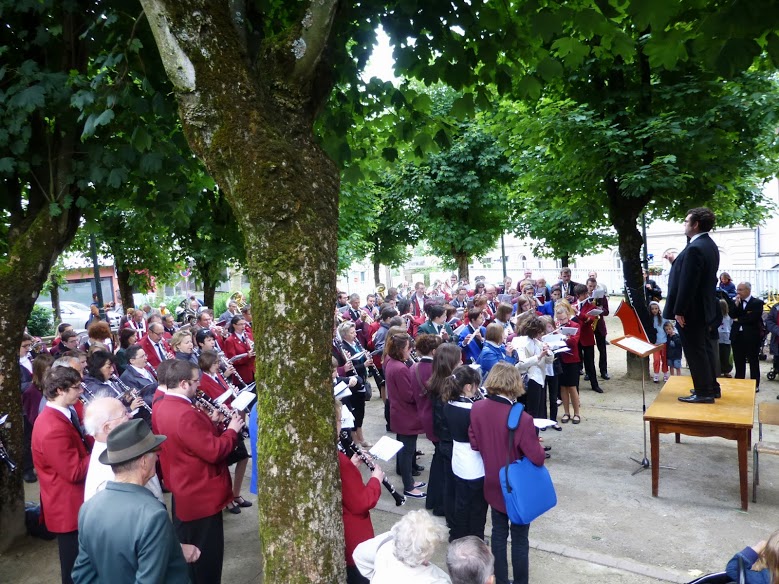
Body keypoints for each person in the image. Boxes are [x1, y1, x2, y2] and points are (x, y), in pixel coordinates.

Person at [72, 419, 196, 583]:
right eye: (155, 454)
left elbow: (82, 575)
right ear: (144, 461)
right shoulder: (153, 515)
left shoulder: (88, 508)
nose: (157, 459)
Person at [154, 360, 244, 583]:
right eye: (195, 382)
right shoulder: (185, 412)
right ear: (183, 383)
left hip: (184, 488)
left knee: (195, 557)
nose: (199, 386)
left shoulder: (163, 404)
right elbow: (214, 452)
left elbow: (189, 441)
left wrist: (210, 423)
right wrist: (231, 431)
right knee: (206, 561)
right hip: (200, 494)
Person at [469, 362, 545, 584]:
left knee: (498, 534)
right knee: (520, 538)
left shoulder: (477, 408)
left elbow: (475, 444)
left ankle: (500, 580)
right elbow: (537, 457)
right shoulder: (523, 418)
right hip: (516, 486)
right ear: (515, 384)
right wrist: (536, 444)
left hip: (492, 481)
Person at [31, 366, 90, 584]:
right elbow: (73, 471)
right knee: (74, 568)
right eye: (76, 387)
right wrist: (100, 448)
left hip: (71, 504)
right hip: (68, 507)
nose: (81, 391)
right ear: (59, 390)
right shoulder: (52, 427)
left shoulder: (61, 415)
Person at [663, 207, 721, 404]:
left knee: (695, 351)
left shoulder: (696, 247)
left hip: (692, 310)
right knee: (704, 348)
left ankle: (703, 391)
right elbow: (690, 273)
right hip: (703, 308)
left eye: (687, 221)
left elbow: (689, 284)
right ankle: (711, 386)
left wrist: (679, 310)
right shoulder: (707, 244)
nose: (684, 224)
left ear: (695, 224)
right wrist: (675, 262)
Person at [336, 399, 384, 584]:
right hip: (354, 536)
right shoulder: (339, 459)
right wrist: (375, 480)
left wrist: (353, 465)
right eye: (340, 420)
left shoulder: (339, 458)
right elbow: (360, 503)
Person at [82, 396, 163, 502]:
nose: (130, 415)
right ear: (107, 427)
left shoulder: (119, 446)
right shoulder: (109, 474)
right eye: (124, 413)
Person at [443, 365, 487, 542]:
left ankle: (458, 536)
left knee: (461, 503)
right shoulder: (473, 410)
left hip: (458, 460)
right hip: (474, 464)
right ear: (468, 387)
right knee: (477, 507)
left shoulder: (448, 404)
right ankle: (476, 539)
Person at [353, 510, 451, 584]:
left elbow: (358, 555)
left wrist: (374, 577)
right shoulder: (434, 580)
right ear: (423, 554)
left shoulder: (386, 544)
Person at [385, 332, 426, 499]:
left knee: (405, 450)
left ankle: (409, 481)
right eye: (409, 348)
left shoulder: (392, 363)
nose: (411, 351)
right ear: (401, 349)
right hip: (406, 415)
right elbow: (408, 395)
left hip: (400, 413)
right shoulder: (400, 368)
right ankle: (409, 486)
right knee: (407, 451)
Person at [513, 316, 555, 420]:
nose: (541, 334)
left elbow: (549, 361)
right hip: (528, 380)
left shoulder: (538, 343)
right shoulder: (522, 343)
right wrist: (538, 356)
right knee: (529, 412)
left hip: (539, 379)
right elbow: (521, 364)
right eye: (539, 332)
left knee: (536, 411)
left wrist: (548, 352)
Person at [730, 281, 765, 392]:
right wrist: (736, 305)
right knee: (738, 360)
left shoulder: (757, 303)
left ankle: (755, 384)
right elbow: (732, 315)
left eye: (740, 290)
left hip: (751, 336)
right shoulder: (736, 301)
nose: (738, 292)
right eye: (737, 290)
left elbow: (753, 318)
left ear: (748, 290)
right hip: (737, 336)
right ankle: (739, 381)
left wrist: (739, 319)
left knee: (753, 360)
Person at [555, 305, 582, 424]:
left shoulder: (575, 326)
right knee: (563, 387)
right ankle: (566, 412)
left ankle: (577, 413)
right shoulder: (557, 327)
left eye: (563, 319)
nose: (562, 322)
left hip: (572, 360)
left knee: (572, 387)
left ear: (568, 316)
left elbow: (574, 342)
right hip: (561, 359)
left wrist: (563, 337)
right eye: (559, 319)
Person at [223, 315, 255, 385]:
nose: (243, 326)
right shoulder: (230, 340)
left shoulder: (249, 335)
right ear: (234, 325)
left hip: (254, 370)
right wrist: (247, 356)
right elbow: (232, 360)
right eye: (240, 324)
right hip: (243, 374)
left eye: (244, 324)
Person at [648, 301, 669, 383]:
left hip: (663, 342)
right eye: (652, 309)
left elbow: (669, 325)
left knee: (664, 359)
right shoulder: (649, 319)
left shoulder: (663, 318)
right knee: (656, 360)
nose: (654, 310)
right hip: (655, 344)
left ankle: (665, 374)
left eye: (656, 308)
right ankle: (656, 374)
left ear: (658, 309)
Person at [717, 299, 734, 378]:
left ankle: (726, 371)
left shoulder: (729, 316)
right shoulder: (716, 316)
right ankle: (719, 370)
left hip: (727, 338)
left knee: (726, 355)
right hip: (719, 337)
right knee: (719, 355)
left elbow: (731, 325)